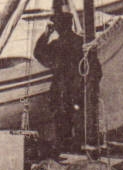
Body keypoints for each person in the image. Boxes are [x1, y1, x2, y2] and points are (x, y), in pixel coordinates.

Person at [34, 13, 85, 153]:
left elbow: (38, 53)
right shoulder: (81, 41)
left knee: (62, 119)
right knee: (78, 118)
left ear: (58, 27)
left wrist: (46, 34)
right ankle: (78, 147)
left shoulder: (57, 44)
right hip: (79, 87)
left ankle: (66, 148)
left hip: (61, 87)